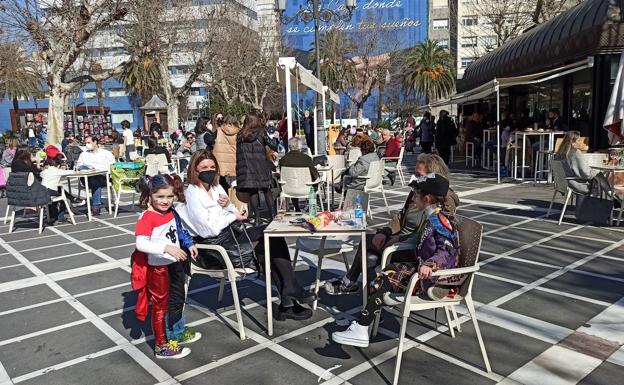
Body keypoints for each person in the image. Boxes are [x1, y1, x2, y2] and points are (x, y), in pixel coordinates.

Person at [177, 151, 315, 320]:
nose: (209, 170)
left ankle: (288, 297)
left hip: (230, 235)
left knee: (271, 234)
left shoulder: (216, 187)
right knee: (268, 244)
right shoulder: (192, 194)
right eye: (204, 167)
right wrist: (231, 216)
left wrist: (229, 206)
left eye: (213, 167)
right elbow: (208, 230)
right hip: (213, 248)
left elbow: (232, 213)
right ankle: (288, 296)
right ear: (195, 169)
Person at [332, 173, 459, 347]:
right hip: (420, 268)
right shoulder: (431, 218)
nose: (413, 198)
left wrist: (431, 265)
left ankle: (362, 327)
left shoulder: (439, 222)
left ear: (427, 198)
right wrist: (393, 240)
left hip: (431, 276)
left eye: (416, 195)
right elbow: (418, 240)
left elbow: (447, 250)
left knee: (383, 278)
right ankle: (362, 326)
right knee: (385, 274)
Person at [325, 153, 459, 295]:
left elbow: (428, 235)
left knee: (368, 249)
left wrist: (399, 240)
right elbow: (400, 216)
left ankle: (352, 285)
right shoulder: (418, 191)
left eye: (418, 174)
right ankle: (369, 303)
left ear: (433, 176)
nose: (414, 178)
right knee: (370, 254)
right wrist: (386, 232)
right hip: (400, 240)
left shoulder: (442, 200)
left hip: (413, 249)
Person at [132, 174, 200, 359]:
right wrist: (166, 248)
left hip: (174, 264)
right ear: (150, 195)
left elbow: (178, 230)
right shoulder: (147, 217)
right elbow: (141, 244)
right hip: (158, 268)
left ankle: (176, 333)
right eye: (160, 196)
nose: (165, 201)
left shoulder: (170, 212)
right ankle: (161, 345)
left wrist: (188, 243)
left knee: (177, 300)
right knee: (160, 307)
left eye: (169, 196)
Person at [236, 111, 278, 223]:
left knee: (253, 192)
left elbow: (239, 155)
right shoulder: (261, 132)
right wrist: (273, 138)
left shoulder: (241, 135)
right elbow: (274, 146)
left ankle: (257, 218)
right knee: (266, 190)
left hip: (248, 168)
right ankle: (272, 215)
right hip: (261, 166)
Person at [76, 136, 115, 216]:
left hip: (103, 176)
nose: (87, 145)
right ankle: (96, 206)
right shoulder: (83, 154)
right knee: (92, 177)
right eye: (85, 143)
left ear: (95, 142)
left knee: (95, 179)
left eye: (88, 142)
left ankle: (96, 206)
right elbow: (79, 166)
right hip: (87, 177)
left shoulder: (106, 153)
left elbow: (113, 166)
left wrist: (98, 170)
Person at [279, 137, 320, 212]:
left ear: (289, 147)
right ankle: (312, 209)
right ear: (300, 147)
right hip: (305, 189)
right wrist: (319, 177)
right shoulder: (306, 159)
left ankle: (297, 208)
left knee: (293, 181)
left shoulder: (283, 159)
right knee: (315, 182)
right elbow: (315, 174)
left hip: (288, 189)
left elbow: (282, 174)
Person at [213, 115, 240, 181]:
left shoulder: (219, 130)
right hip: (234, 158)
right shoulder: (239, 131)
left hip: (221, 160)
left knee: (222, 181)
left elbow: (210, 140)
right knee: (234, 181)